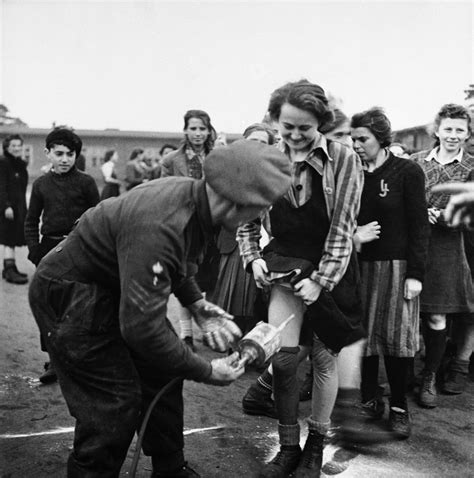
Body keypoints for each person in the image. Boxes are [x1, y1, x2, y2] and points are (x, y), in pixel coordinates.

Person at [28, 139, 292, 478]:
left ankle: (170, 467)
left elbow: (178, 261)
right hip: (70, 292)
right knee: (114, 402)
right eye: (262, 206)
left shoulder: (197, 200)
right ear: (237, 201)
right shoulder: (162, 222)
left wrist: (195, 302)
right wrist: (207, 371)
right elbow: (141, 329)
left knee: (162, 369)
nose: (261, 214)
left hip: (110, 280)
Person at [237, 80, 364, 478]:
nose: (294, 135)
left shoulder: (343, 159)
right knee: (285, 360)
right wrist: (252, 255)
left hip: (332, 266)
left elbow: (343, 229)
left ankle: (315, 447)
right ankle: (288, 445)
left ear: (320, 124)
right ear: (276, 120)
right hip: (284, 263)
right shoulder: (266, 158)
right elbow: (247, 217)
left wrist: (322, 281)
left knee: (325, 361)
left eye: (304, 128)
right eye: (287, 126)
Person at [350, 107, 429, 438]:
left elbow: (419, 225)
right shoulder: (350, 173)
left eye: (362, 139)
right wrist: (355, 233)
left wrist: (416, 273)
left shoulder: (406, 172)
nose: (356, 145)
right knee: (363, 337)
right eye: (352, 139)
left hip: (397, 268)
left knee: (398, 340)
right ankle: (369, 398)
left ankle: (399, 405)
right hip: (358, 267)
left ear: (381, 139)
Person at [24, 127, 100, 384]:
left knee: (79, 308)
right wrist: (35, 251)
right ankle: (54, 361)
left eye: (70, 154)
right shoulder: (41, 184)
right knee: (49, 308)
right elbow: (31, 220)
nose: (65, 159)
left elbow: (98, 218)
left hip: (78, 250)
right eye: (59, 153)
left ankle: (78, 361)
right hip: (49, 251)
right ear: (48, 154)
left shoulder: (87, 183)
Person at [410, 103, 474, 407]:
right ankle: (403, 375)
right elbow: (403, 201)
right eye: (448, 128)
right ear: (437, 130)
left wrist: (447, 217)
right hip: (413, 244)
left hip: (448, 247)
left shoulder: (472, 167)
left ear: (467, 133)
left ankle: (429, 377)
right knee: (407, 313)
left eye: (459, 130)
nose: (453, 135)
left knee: (437, 314)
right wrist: (423, 212)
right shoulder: (415, 161)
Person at [211, 123, 276, 335]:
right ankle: (234, 346)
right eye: (252, 142)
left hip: (268, 244)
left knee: (262, 304)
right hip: (235, 243)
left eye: (263, 143)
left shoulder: (277, 173)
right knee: (235, 302)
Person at [161, 110, 218, 350]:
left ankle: (211, 331)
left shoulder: (218, 157)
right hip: (184, 227)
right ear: (185, 130)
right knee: (186, 278)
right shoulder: (172, 160)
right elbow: (163, 193)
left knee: (211, 281)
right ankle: (186, 334)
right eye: (193, 128)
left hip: (213, 227)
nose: (197, 133)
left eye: (202, 128)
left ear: (208, 131)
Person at [0, 134, 28, 284]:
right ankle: (9, 270)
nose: (17, 148)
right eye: (13, 146)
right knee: (8, 237)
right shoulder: (3, 162)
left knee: (13, 237)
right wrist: (6, 206)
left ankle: (10, 267)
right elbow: (1, 186)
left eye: (19, 145)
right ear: (7, 147)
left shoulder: (19, 164)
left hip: (19, 207)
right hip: (8, 208)